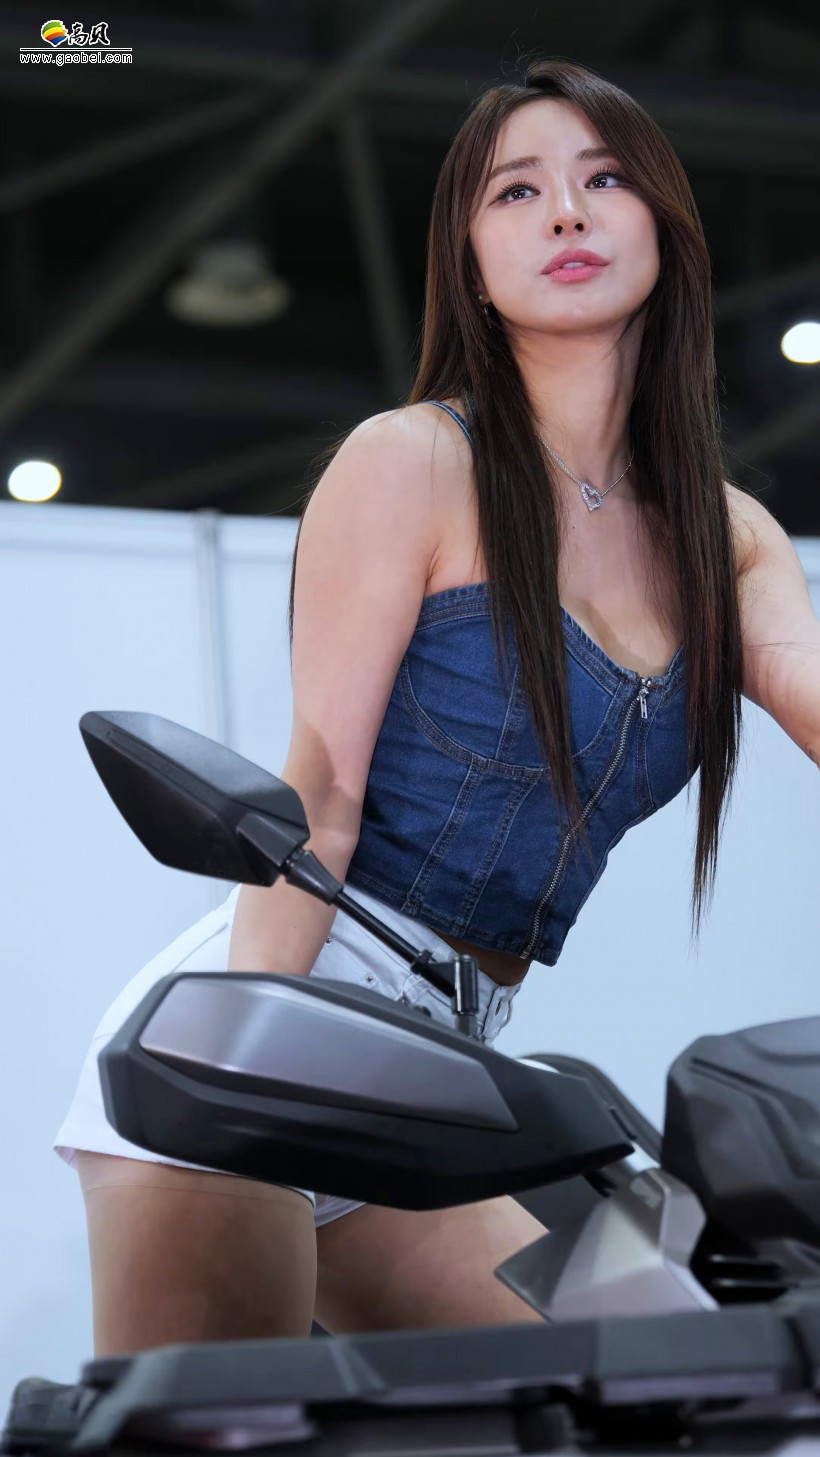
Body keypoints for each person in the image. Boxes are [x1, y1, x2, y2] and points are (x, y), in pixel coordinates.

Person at [52, 55, 817, 1357]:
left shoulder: (728, 537)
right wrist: (243, 1066)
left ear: (664, 225)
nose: (565, 212)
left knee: (658, 1376)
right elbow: (321, 795)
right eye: (517, 191)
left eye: (604, 178)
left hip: (441, 1071)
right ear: (470, 260)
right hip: (270, 1027)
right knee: (224, 1431)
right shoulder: (410, 462)